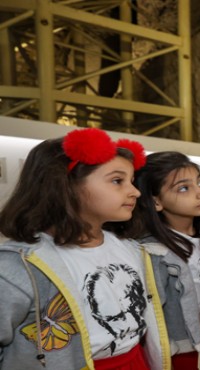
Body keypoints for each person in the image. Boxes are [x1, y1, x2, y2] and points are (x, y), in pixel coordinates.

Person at [0, 128, 169, 370]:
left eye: (131, 181)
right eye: (117, 181)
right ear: (66, 186)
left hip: (134, 360)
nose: (135, 192)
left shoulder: (134, 250)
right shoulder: (18, 267)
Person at [128, 151, 200, 370]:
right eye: (184, 188)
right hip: (170, 341)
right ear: (155, 201)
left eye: (199, 183)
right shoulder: (153, 250)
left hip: (190, 329)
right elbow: (154, 308)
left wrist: (197, 316)